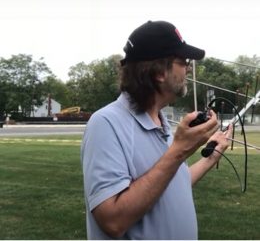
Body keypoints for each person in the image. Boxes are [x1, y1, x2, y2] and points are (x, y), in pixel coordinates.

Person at [81, 20, 232, 239]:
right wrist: (179, 150)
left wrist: (211, 156)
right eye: (183, 61)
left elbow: (170, 183)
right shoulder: (105, 123)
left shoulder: (162, 122)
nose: (188, 68)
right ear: (160, 71)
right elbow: (112, 220)